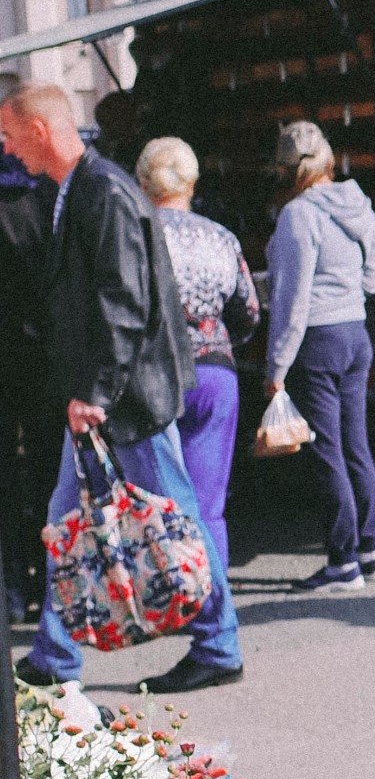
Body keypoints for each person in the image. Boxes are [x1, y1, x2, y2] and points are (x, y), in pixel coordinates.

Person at [1, 82, 243, 694]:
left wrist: (97, 392)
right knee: (64, 518)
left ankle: (219, 645)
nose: (5, 147)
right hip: (103, 395)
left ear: (39, 129)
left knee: (177, 520)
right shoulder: (78, 189)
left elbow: (123, 299)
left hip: (127, 398)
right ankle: (56, 657)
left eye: (8, 133)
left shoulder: (102, 189)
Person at [264, 120, 375, 593]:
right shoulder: (360, 205)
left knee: (326, 451)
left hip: (318, 339)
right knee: (356, 445)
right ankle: (369, 551)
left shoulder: (298, 215)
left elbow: (292, 300)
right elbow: (371, 280)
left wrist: (275, 369)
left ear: (289, 169)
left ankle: (341, 563)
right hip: (357, 333)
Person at [136, 135, 259, 573]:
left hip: (154, 379)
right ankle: (214, 608)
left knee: (159, 500)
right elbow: (248, 311)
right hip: (214, 376)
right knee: (209, 504)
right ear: (192, 183)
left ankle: (170, 594)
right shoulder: (221, 237)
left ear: (142, 183)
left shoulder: (134, 237)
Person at [0, 133, 59, 624]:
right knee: (47, 471)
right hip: (42, 353)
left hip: (12, 354)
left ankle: (13, 588)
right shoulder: (44, 196)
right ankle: (50, 582)